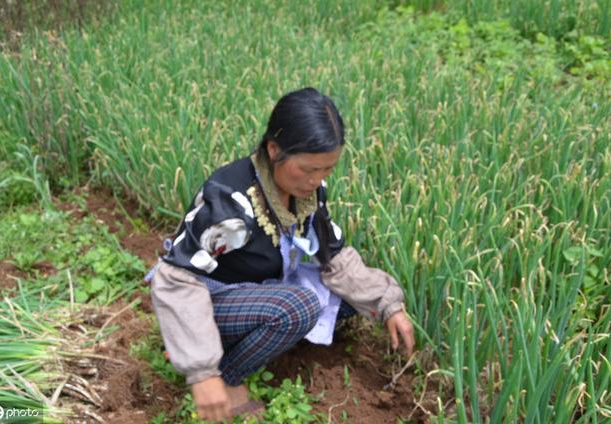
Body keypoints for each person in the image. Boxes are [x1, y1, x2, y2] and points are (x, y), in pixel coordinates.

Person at [149, 87, 415, 422]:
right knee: (300, 306)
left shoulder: (306, 192)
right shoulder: (234, 211)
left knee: (350, 299)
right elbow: (177, 279)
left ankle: (266, 335)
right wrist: (203, 373)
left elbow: (330, 253)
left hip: (263, 286)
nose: (316, 180)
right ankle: (228, 376)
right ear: (274, 150)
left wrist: (387, 303)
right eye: (307, 169)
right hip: (209, 299)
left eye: (327, 169)